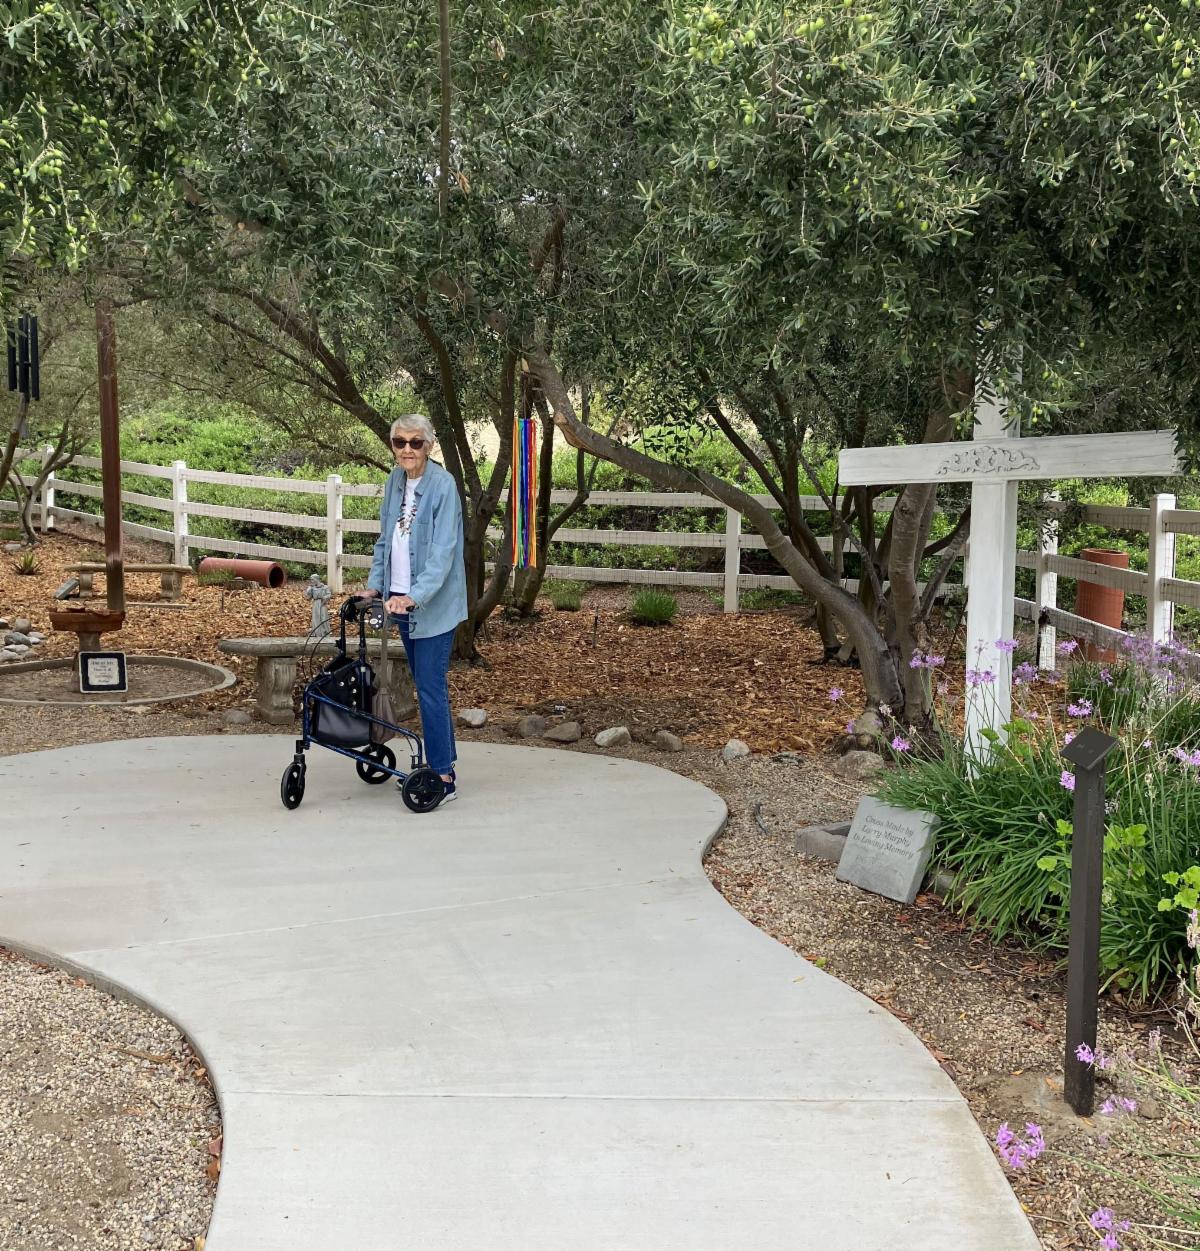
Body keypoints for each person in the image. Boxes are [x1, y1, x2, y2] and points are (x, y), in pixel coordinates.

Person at [360, 415, 467, 803]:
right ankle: (442, 761)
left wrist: (414, 596)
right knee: (426, 684)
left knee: (429, 687)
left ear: (430, 445)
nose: (406, 449)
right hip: (398, 598)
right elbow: (385, 541)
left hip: (432, 606)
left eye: (415, 442)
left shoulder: (443, 486)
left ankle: (444, 773)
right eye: (399, 442)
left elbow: (442, 553)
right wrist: (377, 583)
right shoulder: (394, 482)